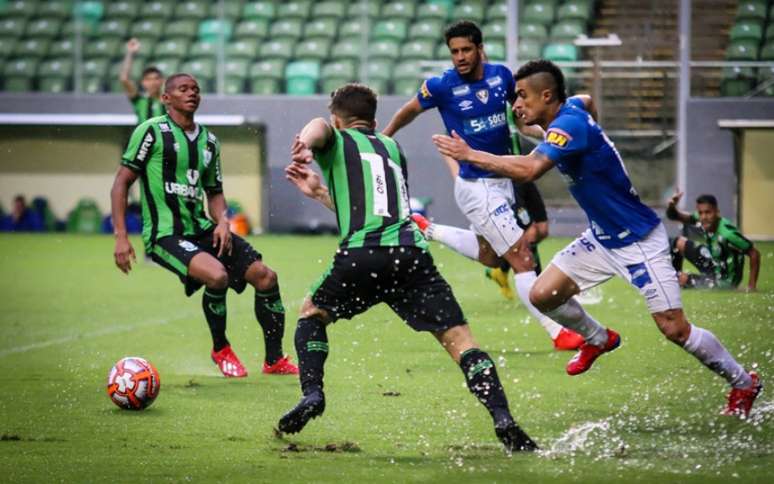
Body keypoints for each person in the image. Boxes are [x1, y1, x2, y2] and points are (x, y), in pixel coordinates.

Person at [432, 59, 762, 418]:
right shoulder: (573, 111)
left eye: (523, 97)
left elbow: (529, 170)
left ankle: (744, 382)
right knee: (543, 294)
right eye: (515, 98)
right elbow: (586, 99)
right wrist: (595, 136)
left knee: (675, 329)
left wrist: (470, 155)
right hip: (603, 238)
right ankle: (598, 338)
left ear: (547, 95)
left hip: (638, 239)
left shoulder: (568, 127)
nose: (516, 105)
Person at [277, 83, 537, 452]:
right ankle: (502, 417)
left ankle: (313, 394)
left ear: (338, 120)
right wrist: (320, 193)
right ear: (374, 120)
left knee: (311, 315)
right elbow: (375, 209)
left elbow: (318, 127)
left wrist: (304, 142)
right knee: (462, 343)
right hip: (410, 255)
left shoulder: (334, 137)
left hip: (362, 256)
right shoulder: (393, 149)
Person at [382, 20, 583, 351]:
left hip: (503, 181)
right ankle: (557, 332)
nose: (460, 57)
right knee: (522, 258)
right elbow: (409, 111)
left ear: (479, 49)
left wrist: (548, 133)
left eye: (465, 50)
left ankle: (427, 229)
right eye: (454, 52)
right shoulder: (440, 86)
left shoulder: (501, 76)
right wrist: (384, 138)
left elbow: (519, 118)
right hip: (476, 186)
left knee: (491, 256)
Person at [110, 73, 298, 377]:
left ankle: (274, 360)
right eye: (183, 89)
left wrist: (223, 221)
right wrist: (121, 236)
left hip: (203, 228)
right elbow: (121, 183)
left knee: (266, 277)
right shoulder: (150, 132)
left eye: (196, 89)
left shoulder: (209, 141)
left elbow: (214, 192)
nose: (192, 93)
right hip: (166, 234)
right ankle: (221, 349)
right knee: (217, 276)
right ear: (166, 98)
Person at [666, 192, 760, 291]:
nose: (703, 217)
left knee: (681, 279)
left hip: (724, 281)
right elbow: (674, 216)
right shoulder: (703, 219)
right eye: (700, 213)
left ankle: (676, 280)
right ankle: (674, 277)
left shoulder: (728, 234)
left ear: (717, 212)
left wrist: (751, 286)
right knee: (678, 242)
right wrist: (672, 206)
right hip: (713, 264)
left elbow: (754, 253)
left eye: (708, 212)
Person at [120, 38, 166, 124]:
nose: (153, 82)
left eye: (156, 78)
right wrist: (130, 53)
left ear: (162, 80)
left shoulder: (169, 102)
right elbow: (124, 79)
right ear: (143, 82)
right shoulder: (139, 100)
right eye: (149, 79)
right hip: (143, 137)